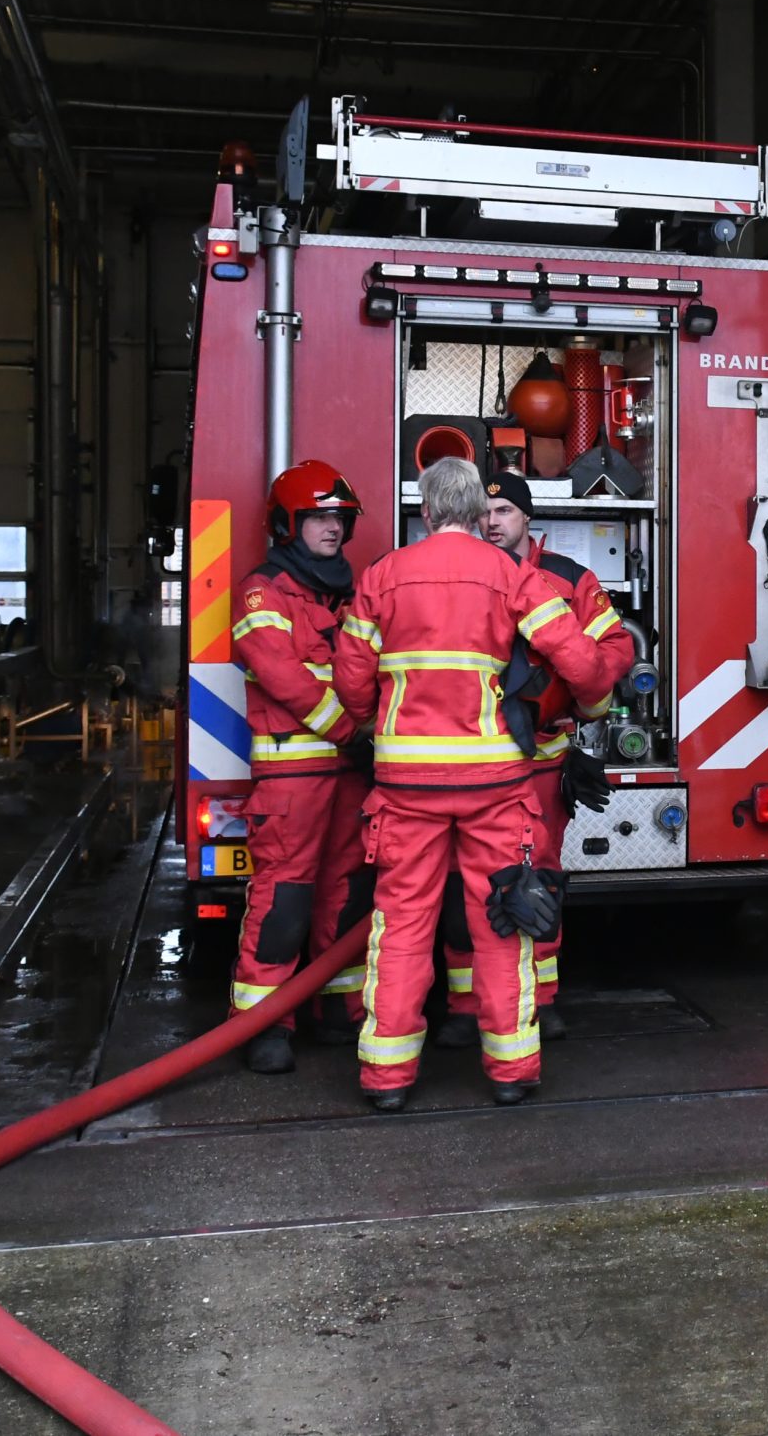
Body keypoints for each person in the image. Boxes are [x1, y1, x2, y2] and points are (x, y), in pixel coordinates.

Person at [330, 455, 625, 1111]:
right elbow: (581, 660)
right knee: (502, 919)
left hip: (406, 784)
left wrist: (372, 725)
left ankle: (387, 1077)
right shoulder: (513, 574)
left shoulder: (382, 576)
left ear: (428, 512)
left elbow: (350, 679)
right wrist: (592, 708)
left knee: (403, 920)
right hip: (496, 783)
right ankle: (512, 1070)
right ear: (473, 512)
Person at [431, 471, 634, 1051]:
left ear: (527, 519)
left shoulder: (567, 579)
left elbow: (615, 648)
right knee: (459, 888)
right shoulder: (462, 573)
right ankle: (467, 1006)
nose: (492, 522)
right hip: (469, 763)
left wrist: (568, 698)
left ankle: (539, 1002)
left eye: (504, 512)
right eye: (484, 512)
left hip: (539, 762)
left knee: (537, 881)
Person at [227, 461, 374, 1072]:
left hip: (349, 776)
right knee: (285, 897)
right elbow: (284, 676)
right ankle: (263, 1026)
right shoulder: (263, 592)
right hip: (293, 779)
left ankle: (339, 1010)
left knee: (347, 893)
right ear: (289, 524)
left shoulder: (350, 589)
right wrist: (350, 731)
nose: (332, 529)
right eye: (318, 517)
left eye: (338, 518)